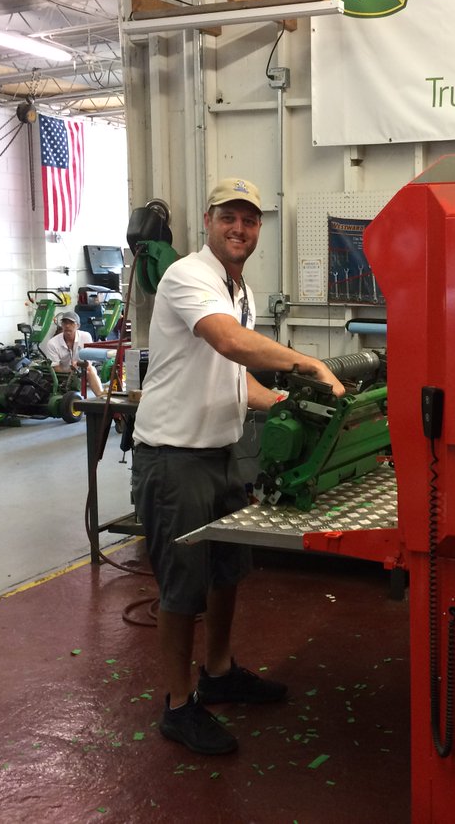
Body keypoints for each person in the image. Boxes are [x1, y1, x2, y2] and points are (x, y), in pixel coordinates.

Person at [131, 177, 345, 756]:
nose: (240, 229)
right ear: (209, 220)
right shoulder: (188, 276)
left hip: (223, 455)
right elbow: (227, 343)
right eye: (230, 217)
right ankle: (178, 705)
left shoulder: (237, 288)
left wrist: (285, 401)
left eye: (250, 220)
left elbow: (234, 375)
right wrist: (309, 367)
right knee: (182, 588)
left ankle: (220, 671)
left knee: (228, 573)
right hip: (174, 460)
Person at [44, 310, 107, 397]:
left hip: (82, 370)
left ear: (78, 326)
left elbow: (89, 361)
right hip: (63, 374)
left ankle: (101, 396)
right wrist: (69, 372)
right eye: (64, 323)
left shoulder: (86, 336)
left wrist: (78, 365)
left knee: (91, 369)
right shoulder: (52, 343)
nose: (67, 326)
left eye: (71, 323)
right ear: (61, 325)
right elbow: (55, 368)